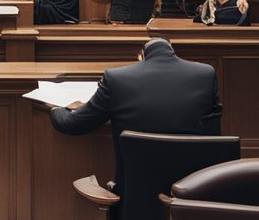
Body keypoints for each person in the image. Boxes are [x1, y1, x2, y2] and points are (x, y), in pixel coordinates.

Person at [48, 37, 222, 172]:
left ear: (142, 55)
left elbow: (74, 124)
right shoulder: (205, 75)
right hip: (194, 185)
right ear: (173, 52)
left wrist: (55, 109)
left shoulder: (117, 79)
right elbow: (213, 129)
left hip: (135, 190)